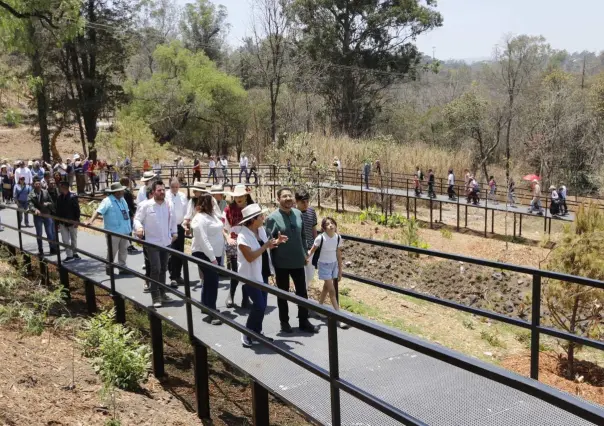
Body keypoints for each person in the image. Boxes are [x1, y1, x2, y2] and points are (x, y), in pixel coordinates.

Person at [266, 187, 318, 334]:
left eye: (290, 196)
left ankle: (303, 320)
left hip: (298, 261)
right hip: (281, 262)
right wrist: (276, 241)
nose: (288, 198)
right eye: (284, 196)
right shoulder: (272, 218)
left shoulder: (297, 214)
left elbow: (302, 236)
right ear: (278, 199)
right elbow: (268, 242)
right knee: (283, 294)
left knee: (302, 292)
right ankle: (284, 322)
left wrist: (304, 253)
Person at [238, 204, 286, 347]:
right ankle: (246, 332)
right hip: (250, 276)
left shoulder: (260, 230)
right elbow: (250, 257)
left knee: (263, 305)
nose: (263, 218)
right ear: (253, 220)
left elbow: (264, 247)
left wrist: (275, 242)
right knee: (258, 305)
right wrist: (265, 246)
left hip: (262, 272)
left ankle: (257, 331)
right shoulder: (242, 236)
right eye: (260, 216)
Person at [134, 180, 177, 307]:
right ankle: (155, 296)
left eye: (163, 190)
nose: (162, 192)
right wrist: (139, 228)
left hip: (166, 242)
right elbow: (137, 219)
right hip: (152, 243)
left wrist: (174, 233)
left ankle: (162, 293)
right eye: (159, 190)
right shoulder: (146, 205)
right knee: (155, 268)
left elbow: (173, 220)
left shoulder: (169, 204)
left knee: (163, 268)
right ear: (153, 192)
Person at [307, 217, 349, 329]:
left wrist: (340, 270)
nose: (331, 225)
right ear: (324, 228)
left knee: (326, 287)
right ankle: (338, 317)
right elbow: (312, 250)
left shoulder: (338, 237)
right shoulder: (320, 238)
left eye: (332, 223)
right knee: (331, 290)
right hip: (324, 265)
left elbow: (339, 255)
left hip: (333, 264)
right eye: (328, 224)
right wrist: (306, 258)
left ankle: (319, 307)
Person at [191, 194, 226, 325]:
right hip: (204, 253)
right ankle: (212, 312)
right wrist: (212, 258)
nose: (215, 203)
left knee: (208, 279)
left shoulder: (213, 215)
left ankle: (205, 305)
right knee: (213, 281)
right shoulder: (200, 218)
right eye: (213, 202)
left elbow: (220, 216)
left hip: (214, 254)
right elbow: (203, 240)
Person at [86, 182, 133, 276]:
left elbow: (127, 213)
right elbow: (99, 211)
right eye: (121, 190)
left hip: (124, 230)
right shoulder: (107, 201)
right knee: (112, 251)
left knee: (124, 250)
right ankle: (109, 267)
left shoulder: (122, 199)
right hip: (113, 231)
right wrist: (91, 220)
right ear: (116, 192)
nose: (123, 191)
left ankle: (122, 267)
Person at [224, 184, 253, 308]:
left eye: (241, 196)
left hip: (249, 242)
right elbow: (224, 228)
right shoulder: (228, 209)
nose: (238, 198)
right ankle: (231, 295)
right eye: (236, 196)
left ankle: (246, 298)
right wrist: (228, 237)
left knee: (247, 271)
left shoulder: (252, 208)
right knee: (236, 271)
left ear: (246, 196)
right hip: (234, 243)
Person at [166, 177, 189, 287]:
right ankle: (172, 276)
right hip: (169, 227)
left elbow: (186, 212)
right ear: (169, 186)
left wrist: (186, 222)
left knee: (180, 252)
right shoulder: (166, 196)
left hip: (180, 226)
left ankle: (178, 274)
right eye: (172, 187)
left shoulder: (183, 196)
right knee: (172, 252)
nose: (175, 189)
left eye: (176, 187)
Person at [28, 177, 57, 256]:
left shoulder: (45, 192)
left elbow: (52, 203)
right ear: (33, 185)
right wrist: (35, 210)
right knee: (39, 233)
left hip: (47, 214)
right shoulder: (31, 194)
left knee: (50, 232)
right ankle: (40, 249)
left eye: (39, 184)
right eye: (36, 184)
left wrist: (48, 204)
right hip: (38, 216)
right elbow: (30, 205)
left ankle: (52, 248)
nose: (38, 185)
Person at [295, 189, 318, 290]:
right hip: (298, 249)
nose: (305, 204)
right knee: (301, 274)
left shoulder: (311, 211)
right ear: (297, 202)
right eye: (303, 202)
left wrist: (316, 244)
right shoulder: (293, 213)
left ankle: (303, 292)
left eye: (307, 201)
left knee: (310, 274)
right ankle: (301, 294)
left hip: (310, 248)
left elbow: (314, 229)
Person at [55, 181, 81, 262]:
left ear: (64, 187)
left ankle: (74, 253)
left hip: (72, 221)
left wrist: (77, 220)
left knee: (74, 238)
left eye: (60, 187)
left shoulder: (73, 197)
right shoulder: (59, 197)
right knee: (65, 239)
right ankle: (69, 255)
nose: (59, 188)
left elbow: (77, 209)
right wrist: (58, 221)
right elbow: (58, 210)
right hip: (63, 221)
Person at [120, 177, 138, 253]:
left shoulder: (121, 191)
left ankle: (126, 245)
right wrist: (132, 213)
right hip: (129, 212)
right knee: (129, 230)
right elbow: (129, 204)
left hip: (123, 212)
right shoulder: (126, 192)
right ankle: (129, 245)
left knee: (126, 229)